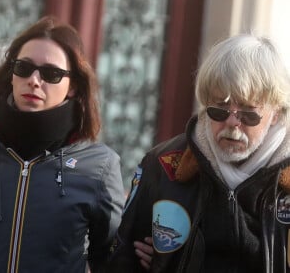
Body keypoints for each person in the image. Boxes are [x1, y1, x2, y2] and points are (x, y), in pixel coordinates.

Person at [107, 33, 290, 272]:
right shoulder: (161, 165)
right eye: (220, 109)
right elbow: (122, 258)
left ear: (275, 113)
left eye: (248, 112)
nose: (233, 123)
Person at [0, 15, 126, 273]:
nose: (34, 80)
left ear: (73, 86)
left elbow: (113, 260)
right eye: (24, 67)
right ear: (11, 75)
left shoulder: (99, 167)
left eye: (51, 73)